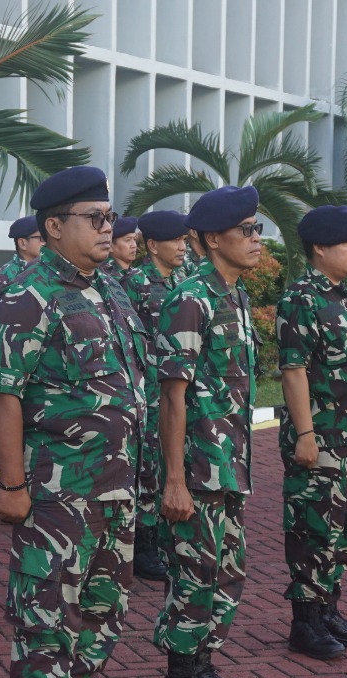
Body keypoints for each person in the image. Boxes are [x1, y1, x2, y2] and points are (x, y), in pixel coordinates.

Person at [0, 166, 149, 678]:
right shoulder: (27, 295)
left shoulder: (110, 289)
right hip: (59, 488)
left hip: (116, 485)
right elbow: (4, 394)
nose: (110, 229)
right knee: (49, 612)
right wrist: (10, 485)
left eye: (111, 218)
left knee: (104, 610)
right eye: (95, 219)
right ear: (54, 226)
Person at [153, 185, 262, 678]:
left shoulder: (232, 293)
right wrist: (174, 478)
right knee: (194, 572)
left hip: (228, 462)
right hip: (196, 466)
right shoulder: (190, 297)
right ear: (213, 239)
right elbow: (172, 394)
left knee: (228, 568)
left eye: (258, 229)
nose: (257, 239)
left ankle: (202, 664)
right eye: (247, 231)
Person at [275, 205, 347, 660]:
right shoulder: (302, 298)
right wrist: (304, 435)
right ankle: (306, 622)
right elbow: (294, 370)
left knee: (343, 531)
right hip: (320, 438)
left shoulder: (342, 296)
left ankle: (329, 608)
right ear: (320, 248)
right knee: (313, 530)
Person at [120, 209, 189, 583]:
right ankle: (143, 544)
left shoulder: (183, 281)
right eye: (175, 241)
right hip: (146, 388)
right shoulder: (133, 283)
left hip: (176, 387)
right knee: (146, 465)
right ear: (152, 246)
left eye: (184, 240)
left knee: (169, 462)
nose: (182, 246)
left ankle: (163, 537)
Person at [0, 216, 44, 302]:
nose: (47, 242)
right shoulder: (5, 276)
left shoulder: (50, 269)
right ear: (22, 243)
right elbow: (0, 313)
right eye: (42, 238)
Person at [102, 216, 139, 282]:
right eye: (128, 240)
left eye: (135, 239)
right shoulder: (103, 274)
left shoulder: (136, 273)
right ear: (110, 246)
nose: (134, 245)